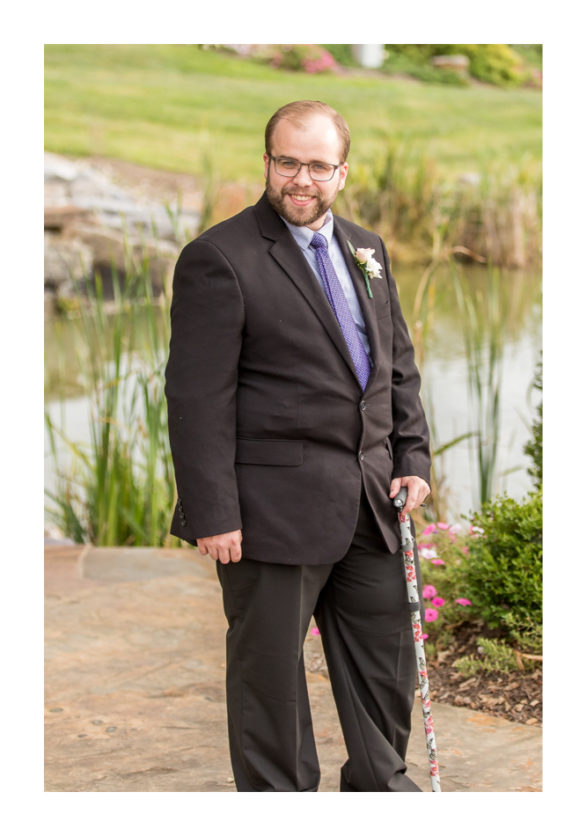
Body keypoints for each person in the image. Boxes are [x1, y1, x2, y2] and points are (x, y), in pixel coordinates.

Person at [166, 101, 432, 791]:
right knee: (269, 686)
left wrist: (412, 460)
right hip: (267, 516)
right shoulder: (218, 258)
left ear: (342, 172)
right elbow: (197, 399)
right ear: (267, 164)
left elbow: (396, 367)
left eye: (317, 165)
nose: (301, 179)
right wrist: (213, 511)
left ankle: (381, 794)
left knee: (385, 670)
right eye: (288, 162)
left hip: (372, 505)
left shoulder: (366, 249)